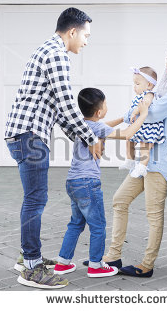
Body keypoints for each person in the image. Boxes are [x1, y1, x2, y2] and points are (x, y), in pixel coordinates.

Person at [83, 40, 167, 277]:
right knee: (120, 200)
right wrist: (140, 107)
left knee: (153, 212)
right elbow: (140, 109)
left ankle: (146, 265)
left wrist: (140, 108)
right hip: (146, 160)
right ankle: (114, 256)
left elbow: (151, 114)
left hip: (163, 158)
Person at [5, 7, 103, 289]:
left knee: (34, 198)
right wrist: (91, 138)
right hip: (29, 135)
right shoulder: (57, 54)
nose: (86, 41)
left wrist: (80, 137)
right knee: (35, 200)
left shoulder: (48, 50)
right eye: (85, 35)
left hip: (25, 133)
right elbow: (67, 105)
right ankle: (32, 268)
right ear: (72, 31)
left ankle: (28, 258)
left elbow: (59, 112)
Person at [53, 88, 150, 278]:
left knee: (75, 224)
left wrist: (123, 117)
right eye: (105, 104)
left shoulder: (83, 124)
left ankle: (63, 263)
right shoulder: (98, 128)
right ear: (99, 111)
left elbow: (105, 125)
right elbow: (128, 134)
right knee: (98, 226)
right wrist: (144, 114)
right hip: (89, 183)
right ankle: (96, 265)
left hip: (73, 181)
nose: (106, 107)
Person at [119, 67, 165, 178]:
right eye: (134, 83)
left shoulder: (149, 94)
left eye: (137, 84)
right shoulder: (138, 96)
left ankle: (142, 167)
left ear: (149, 85)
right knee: (129, 140)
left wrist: (135, 112)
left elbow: (146, 103)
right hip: (138, 125)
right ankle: (130, 160)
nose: (134, 86)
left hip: (148, 127)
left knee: (145, 148)